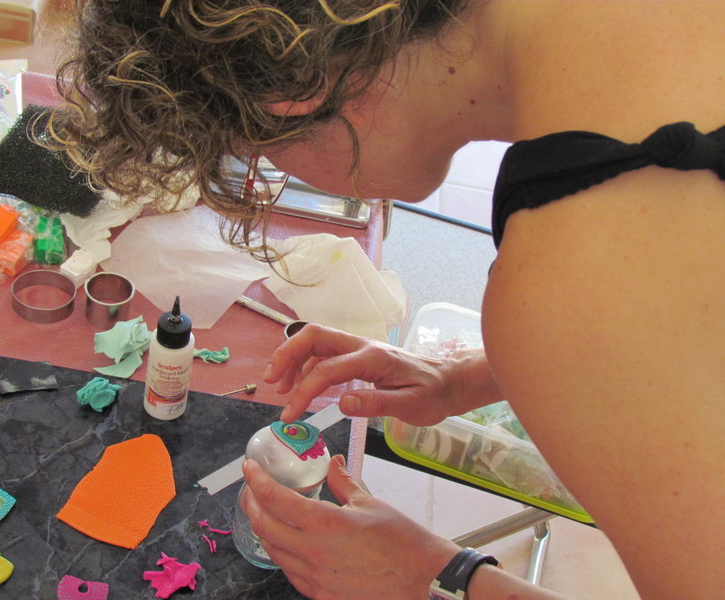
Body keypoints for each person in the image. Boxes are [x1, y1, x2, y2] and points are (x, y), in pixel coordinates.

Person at [50, 1, 725, 598]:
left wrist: (439, 577)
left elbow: (621, 313)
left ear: (293, 90)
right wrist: (471, 378)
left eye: (258, 155)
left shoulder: (581, 273)